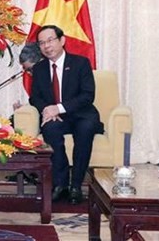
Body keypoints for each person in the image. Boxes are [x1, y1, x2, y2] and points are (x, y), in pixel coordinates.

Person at [29, 25, 103, 205]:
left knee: (85, 129)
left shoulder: (81, 63)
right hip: (55, 117)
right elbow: (34, 98)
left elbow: (87, 95)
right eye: (42, 43)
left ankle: (76, 185)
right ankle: (60, 184)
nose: (46, 46)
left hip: (81, 114)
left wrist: (59, 108)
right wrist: (47, 109)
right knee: (50, 130)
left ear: (62, 41)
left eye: (50, 40)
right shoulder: (39, 69)